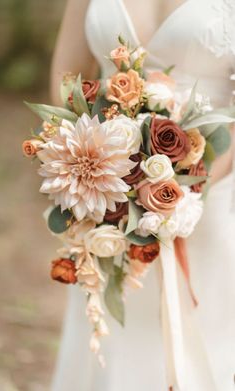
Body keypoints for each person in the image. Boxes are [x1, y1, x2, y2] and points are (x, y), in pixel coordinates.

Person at [50, 1, 235, 390]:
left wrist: (182, 190)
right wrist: (82, 159)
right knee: (112, 346)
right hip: (102, 196)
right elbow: (66, 74)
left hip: (212, 194)